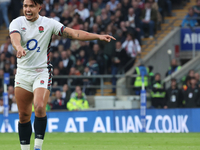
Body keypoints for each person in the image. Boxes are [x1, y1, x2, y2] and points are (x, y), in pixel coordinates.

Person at [9, 0, 115, 150]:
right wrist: (18, 47)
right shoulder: (17, 22)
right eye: (25, 6)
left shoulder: (49, 23)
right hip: (23, 73)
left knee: (39, 106)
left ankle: (38, 147)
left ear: (39, 7)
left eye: (31, 6)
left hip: (42, 72)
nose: (27, 9)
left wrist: (97, 36)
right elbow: (15, 38)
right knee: (23, 116)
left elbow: (74, 33)